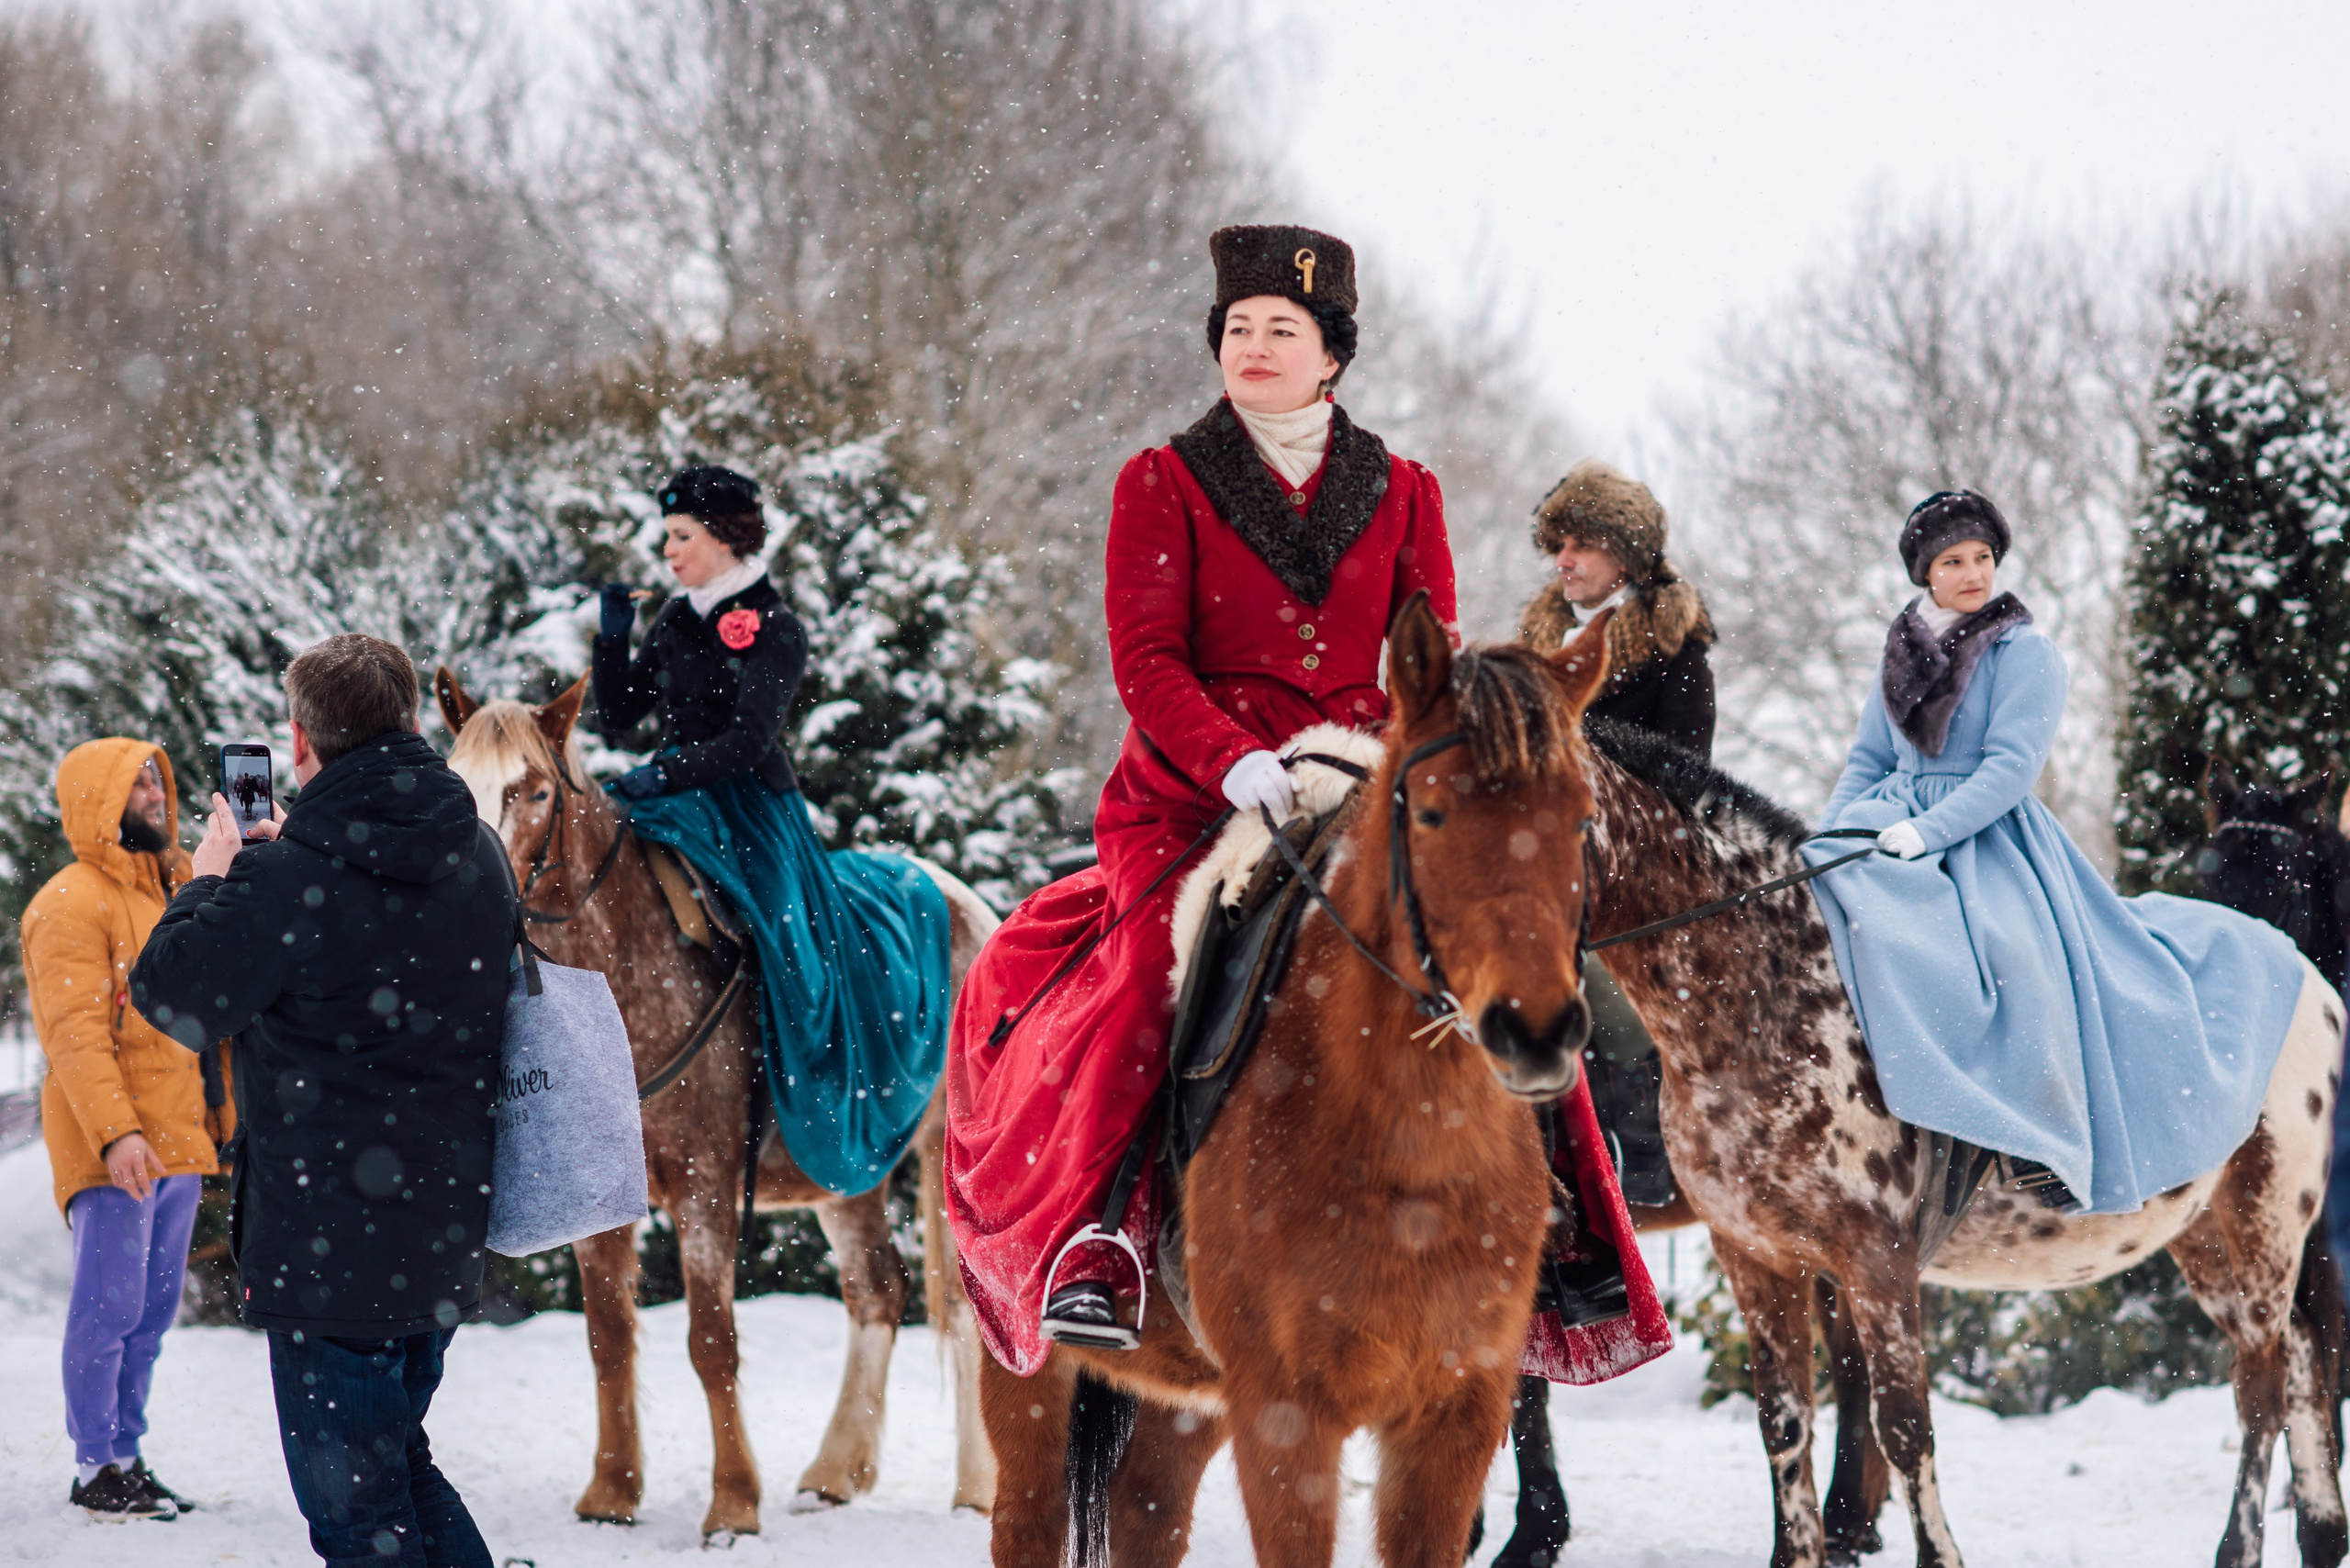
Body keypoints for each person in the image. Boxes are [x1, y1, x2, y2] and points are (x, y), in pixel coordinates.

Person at [941, 224, 1461, 1367]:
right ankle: (1106, 1233)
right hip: (1191, 793)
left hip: (1353, 779)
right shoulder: (1162, 479)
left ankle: (1556, 1226)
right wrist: (1231, 758)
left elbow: (1425, 656)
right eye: (1238, 329)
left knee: (1475, 945)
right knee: (1148, 971)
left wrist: (1411, 758)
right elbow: (1145, 659)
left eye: (1284, 330)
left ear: (1334, 354)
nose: (1256, 347)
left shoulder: (1407, 489)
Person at [1806, 490, 2307, 1215]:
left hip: (1986, 836)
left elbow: (2010, 770)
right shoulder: (1901, 652)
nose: (1973, 572)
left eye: (1982, 557)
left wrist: (1930, 830)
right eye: (1954, 561)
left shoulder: (2022, 652)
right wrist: (1832, 835)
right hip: (1891, 823)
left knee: (2018, 967)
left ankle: (2040, 1139)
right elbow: (1867, 759)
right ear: (1926, 573)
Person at [129, 634, 512, 1568]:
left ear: (298, 744)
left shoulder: (285, 878)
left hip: (327, 1246)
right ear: (413, 718)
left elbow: (170, 993)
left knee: (357, 1521)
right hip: (442, 1232)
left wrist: (212, 876)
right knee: (402, 1465)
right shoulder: (482, 854)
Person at [592, 465, 952, 1196]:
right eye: (665, 537)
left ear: (724, 538)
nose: (667, 552)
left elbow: (750, 741)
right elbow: (619, 715)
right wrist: (613, 642)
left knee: (794, 950)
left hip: (751, 808)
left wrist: (664, 775)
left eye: (681, 537)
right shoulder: (675, 616)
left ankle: (787, 1096)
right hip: (677, 799)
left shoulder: (776, 628)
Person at [26, 741, 233, 1519]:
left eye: (158, 779)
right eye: (136, 782)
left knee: (149, 1313)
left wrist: (218, 1119)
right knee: (107, 1308)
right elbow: (74, 1036)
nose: (155, 793)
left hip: (176, 1140)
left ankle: (126, 1455)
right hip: (114, 1146)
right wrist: (116, 1135)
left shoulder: (169, 892)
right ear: (96, 800)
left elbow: (197, 1024)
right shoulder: (70, 902)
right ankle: (94, 1465)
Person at [1517, 460, 1714, 1210]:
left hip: (1639, 873)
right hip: (1536, 860)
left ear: (1625, 558)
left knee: (1599, 988)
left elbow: (1684, 781)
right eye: (1556, 544)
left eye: (1581, 545)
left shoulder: (1676, 649)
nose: (1563, 560)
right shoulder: (1536, 646)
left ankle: (1638, 1159)